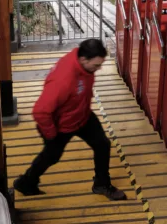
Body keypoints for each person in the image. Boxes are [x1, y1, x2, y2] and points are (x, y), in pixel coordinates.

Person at [13, 39, 127, 200]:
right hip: (61, 125)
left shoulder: (84, 66)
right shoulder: (63, 80)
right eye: (96, 65)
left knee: (102, 145)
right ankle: (25, 182)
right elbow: (40, 111)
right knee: (51, 156)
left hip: (81, 114)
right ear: (83, 60)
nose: (99, 69)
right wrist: (51, 135)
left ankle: (101, 184)